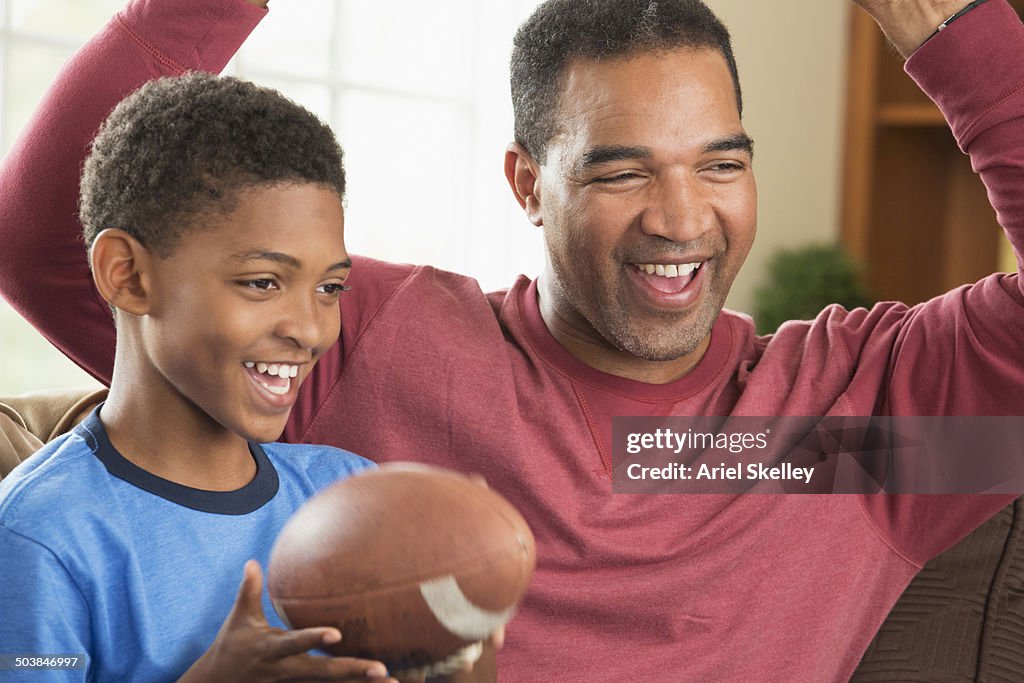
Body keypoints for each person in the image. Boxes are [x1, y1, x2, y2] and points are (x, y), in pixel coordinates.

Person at [1, 0, 1022, 679]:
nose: (680, 218)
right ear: (529, 185)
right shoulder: (371, 339)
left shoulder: (863, 427)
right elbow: (57, 242)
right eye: (622, 171)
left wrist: (957, 32)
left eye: (719, 164)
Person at [0, 67, 415, 681]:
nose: (309, 328)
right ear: (128, 275)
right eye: (262, 282)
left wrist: (464, 621)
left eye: (330, 287)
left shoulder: (354, 496)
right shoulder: (40, 535)